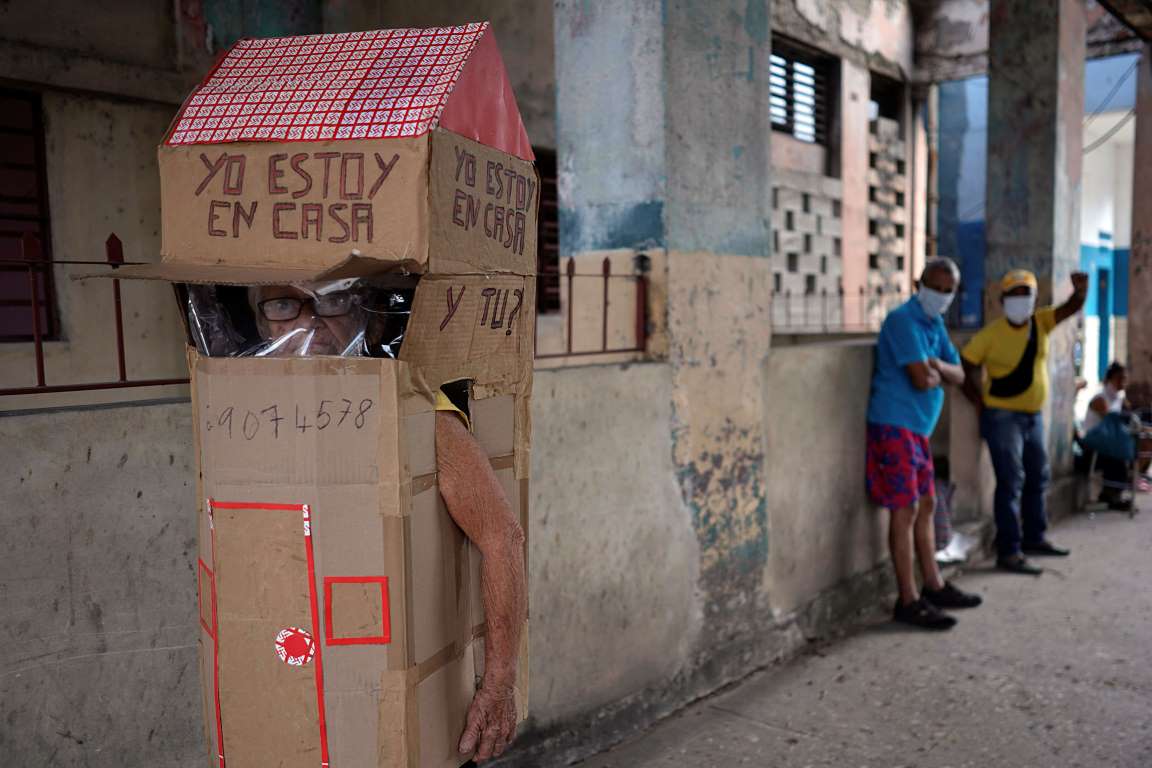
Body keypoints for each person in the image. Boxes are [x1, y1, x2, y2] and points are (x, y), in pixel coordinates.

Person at [252, 283, 527, 762]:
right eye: (281, 305)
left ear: (366, 315)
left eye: (331, 302)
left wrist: (500, 685)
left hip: (400, 700)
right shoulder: (244, 414)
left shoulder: (418, 414)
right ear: (260, 321)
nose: (307, 322)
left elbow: (504, 537)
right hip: (299, 683)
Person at [866, 258, 983, 631]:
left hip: (917, 431)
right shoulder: (903, 321)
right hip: (894, 426)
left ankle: (933, 584)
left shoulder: (935, 325)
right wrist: (934, 369)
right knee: (906, 509)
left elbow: (960, 374)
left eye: (949, 291)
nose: (943, 297)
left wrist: (938, 365)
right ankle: (908, 599)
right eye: (936, 288)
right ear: (920, 284)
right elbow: (919, 378)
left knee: (928, 504)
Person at [961, 269, 1088, 575]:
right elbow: (965, 364)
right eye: (1015, 294)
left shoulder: (1040, 323)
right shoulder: (990, 335)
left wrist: (1081, 291)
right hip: (1002, 417)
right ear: (1003, 299)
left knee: (1038, 476)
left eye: (1026, 294)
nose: (1021, 301)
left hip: (1033, 417)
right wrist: (979, 401)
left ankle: (1034, 537)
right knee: (1010, 482)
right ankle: (1009, 550)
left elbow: (1069, 309)